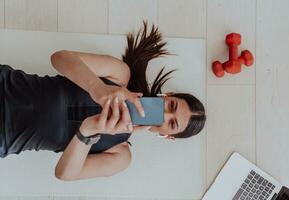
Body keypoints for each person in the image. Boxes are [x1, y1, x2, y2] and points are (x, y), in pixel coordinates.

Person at [0, 21, 206, 181]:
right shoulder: (119, 75)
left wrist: (87, 131)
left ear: (167, 135)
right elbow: (59, 58)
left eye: (171, 123)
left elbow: (64, 174)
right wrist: (98, 88)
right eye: (171, 106)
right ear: (167, 96)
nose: (165, 114)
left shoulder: (120, 155)